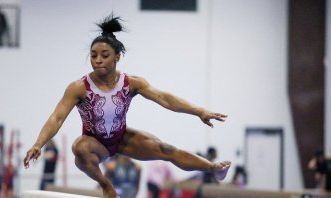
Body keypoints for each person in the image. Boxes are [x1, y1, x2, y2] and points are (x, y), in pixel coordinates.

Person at [23, 14, 231, 198]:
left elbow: (164, 98)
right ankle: (107, 186)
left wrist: (199, 111)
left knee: (166, 149)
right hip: (95, 144)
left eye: (104, 55)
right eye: (93, 55)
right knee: (79, 147)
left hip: (121, 138)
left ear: (117, 57)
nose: (97, 60)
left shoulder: (131, 83)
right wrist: (38, 144)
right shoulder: (79, 88)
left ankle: (212, 168)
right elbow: (56, 117)